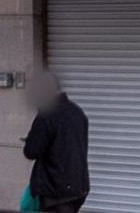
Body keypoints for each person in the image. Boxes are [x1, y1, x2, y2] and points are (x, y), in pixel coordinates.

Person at [22, 71, 90, 213]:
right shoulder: (77, 112)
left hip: (55, 190)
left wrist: (30, 140)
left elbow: (31, 151)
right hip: (79, 187)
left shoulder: (47, 115)